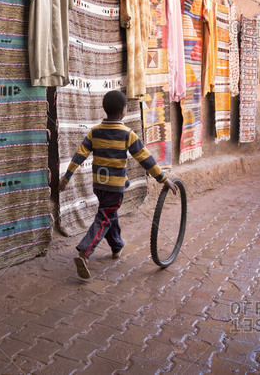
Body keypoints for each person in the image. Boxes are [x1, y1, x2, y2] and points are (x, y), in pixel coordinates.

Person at [58, 90, 177, 278]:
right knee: (105, 216)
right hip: (115, 187)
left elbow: (79, 154)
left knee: (109, 212)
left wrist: (66, 178)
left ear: (105, 110)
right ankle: (85, 251)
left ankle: (116, 246)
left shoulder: (95, 131)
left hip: (98, 185)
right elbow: (145, 158)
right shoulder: (126, 134)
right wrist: (163, 178)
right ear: (123, 110)